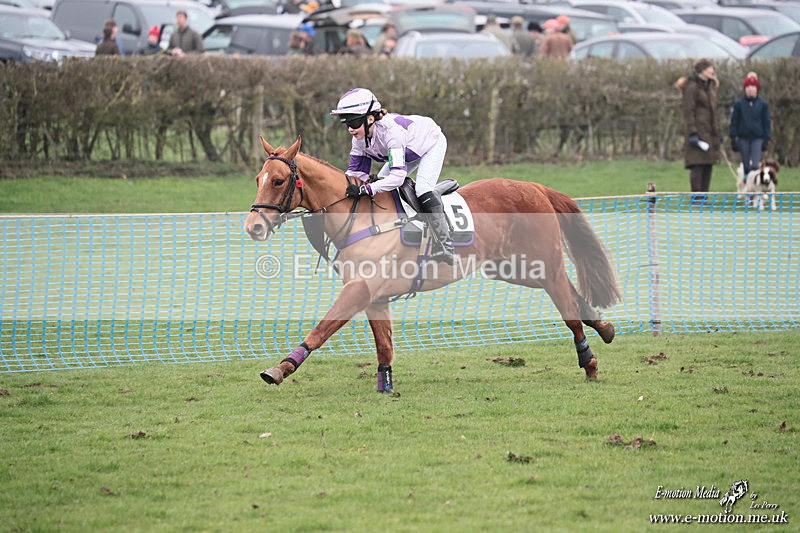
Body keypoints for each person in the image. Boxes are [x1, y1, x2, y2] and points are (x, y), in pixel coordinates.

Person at [330, 88, 456, 265]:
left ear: (370, 118)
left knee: (422, 189)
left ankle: (446, 245)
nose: (351, 129)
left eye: (354, 122)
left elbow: (397, 177)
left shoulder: (391, 132)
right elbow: (355, 175)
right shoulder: (358, 139)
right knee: (381, 185)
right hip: (407, 151)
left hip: (430, 144)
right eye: (347, 124)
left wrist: (366, 188)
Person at [676, 57, 720, 198]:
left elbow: (713, 111)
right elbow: (689, 112)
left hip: (709, 132)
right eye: (709, 68)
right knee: (698, 165)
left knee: (708, 165)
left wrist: (717, 132)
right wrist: (693, 133)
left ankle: (704, 197)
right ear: (702, 71)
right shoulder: (692, 87)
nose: (712, 71)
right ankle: (697, 198)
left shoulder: (710, 87)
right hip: (698, 131)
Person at [729, 72, 772, 176]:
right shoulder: (739, 104)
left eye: (753, 87)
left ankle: (755, 185)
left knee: (755, 164)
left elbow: (766, 122)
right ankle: (746, 184)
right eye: (748, 87)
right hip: (743, 137)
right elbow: (734, 121)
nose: (750, 89)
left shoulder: (763, 104)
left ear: (757, 89)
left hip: (757, 137)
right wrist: (733, 137)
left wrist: (766, 138)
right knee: (746, 165)